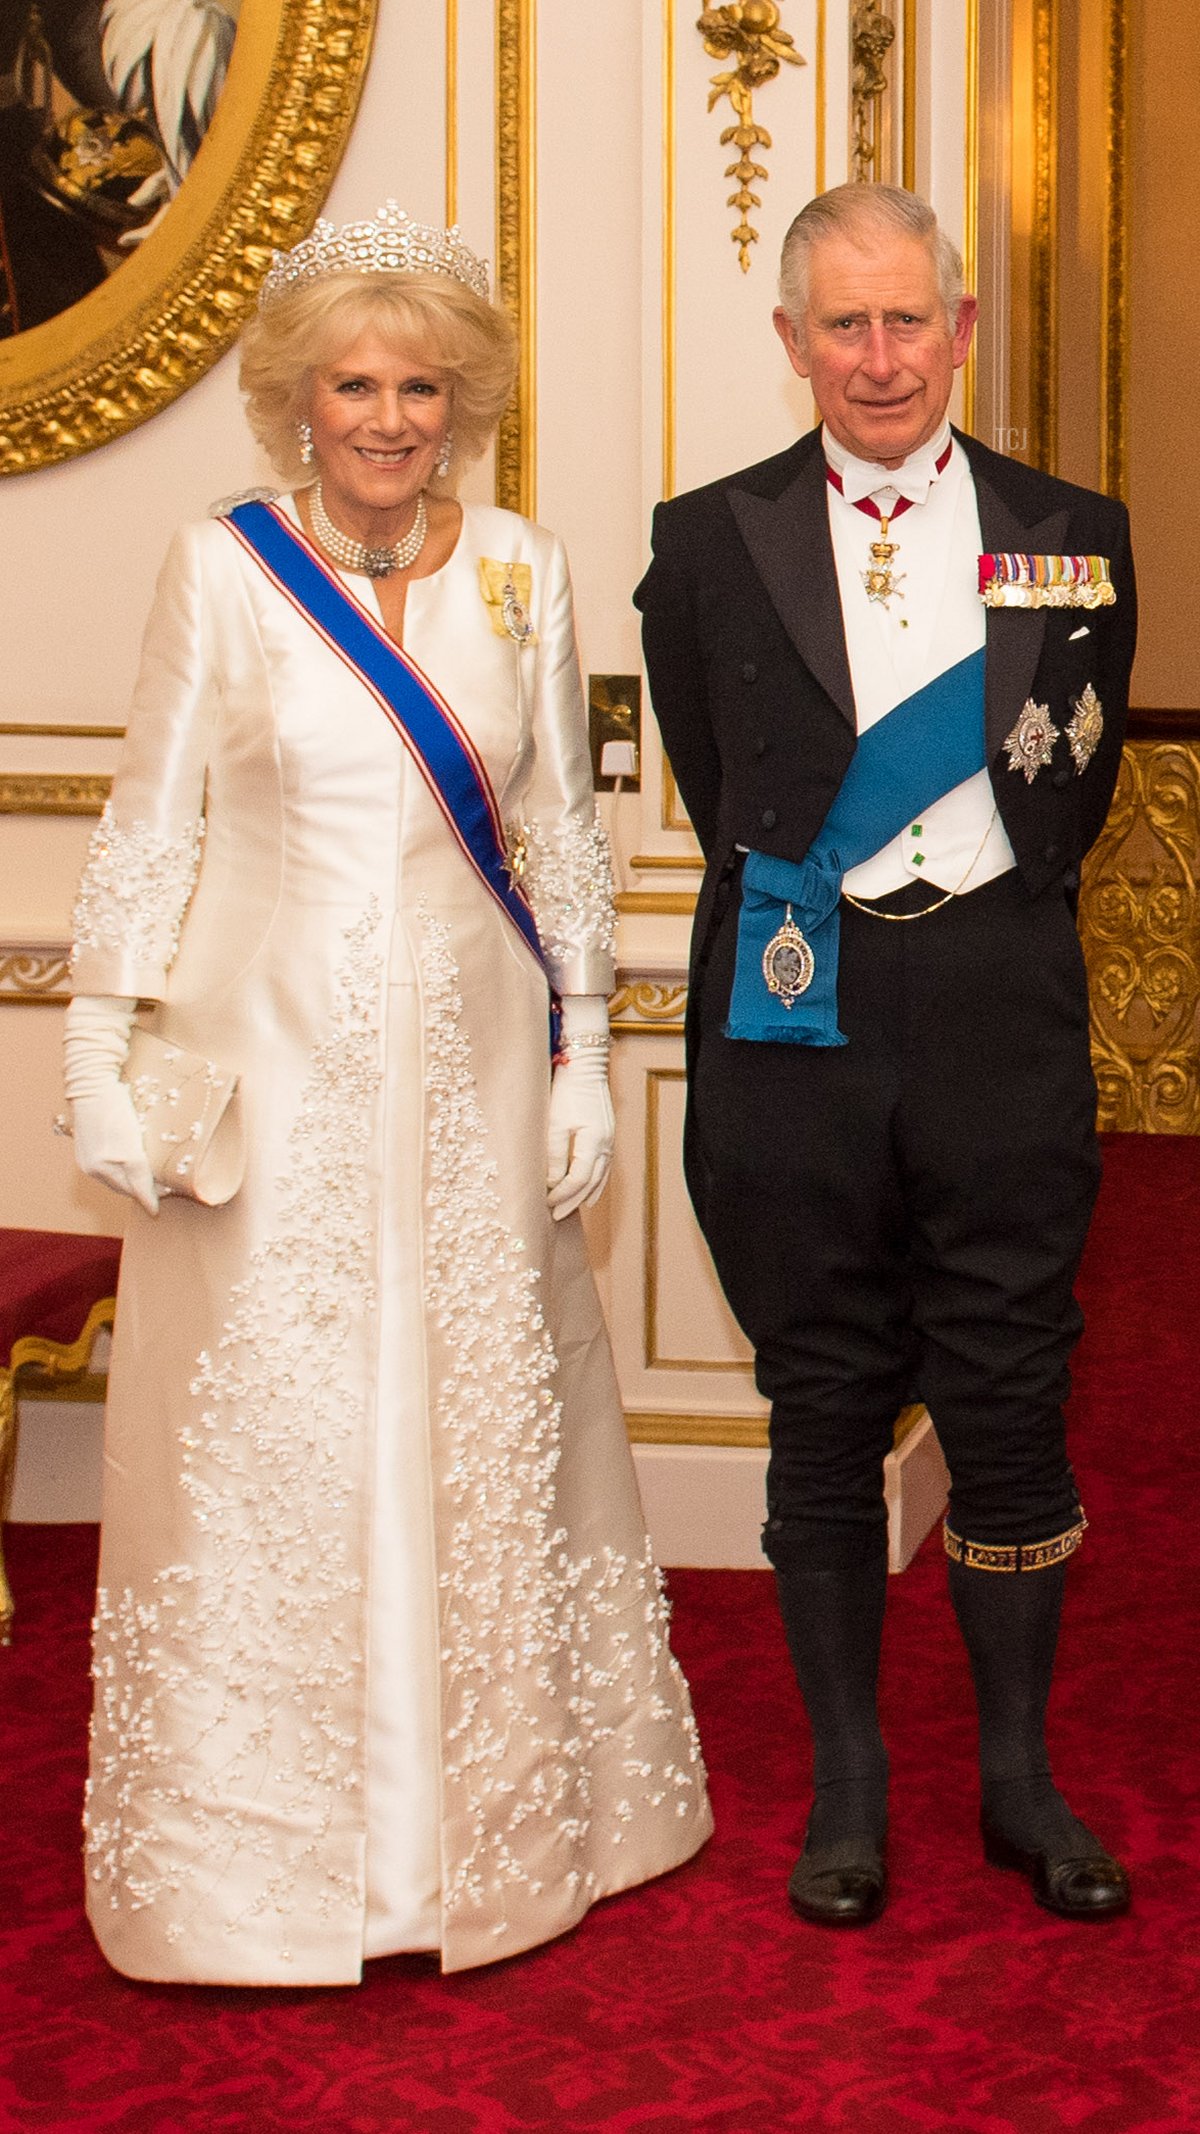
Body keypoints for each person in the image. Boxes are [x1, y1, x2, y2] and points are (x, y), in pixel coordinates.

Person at [64, 203, 711, 1986]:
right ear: (296, 399)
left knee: (489, 1419)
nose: (388, 416)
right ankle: (274, 1866)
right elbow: (150, 823)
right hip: (273, 1062)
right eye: (354, 382)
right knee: (286, 1433)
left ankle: (498, 1837)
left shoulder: (521, 562)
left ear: (462, 402)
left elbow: (565, 836)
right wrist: (94, 1054)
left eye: (421, 383)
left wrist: (584, 1047)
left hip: (484, 1058)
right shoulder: (223, 566)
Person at [635, 184, 1134, 1928]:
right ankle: (849, 1788)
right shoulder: (704, 540)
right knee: (823, 1401)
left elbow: (1074, 784)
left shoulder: (1075, 533)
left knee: (1011, 1401)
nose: (878, 356)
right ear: (792, 345)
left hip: (998, 1019)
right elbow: (718, 780)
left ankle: (1018, 1778)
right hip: (796, 1020)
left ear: (962, 327)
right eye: (841, 325)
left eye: (907, 318)